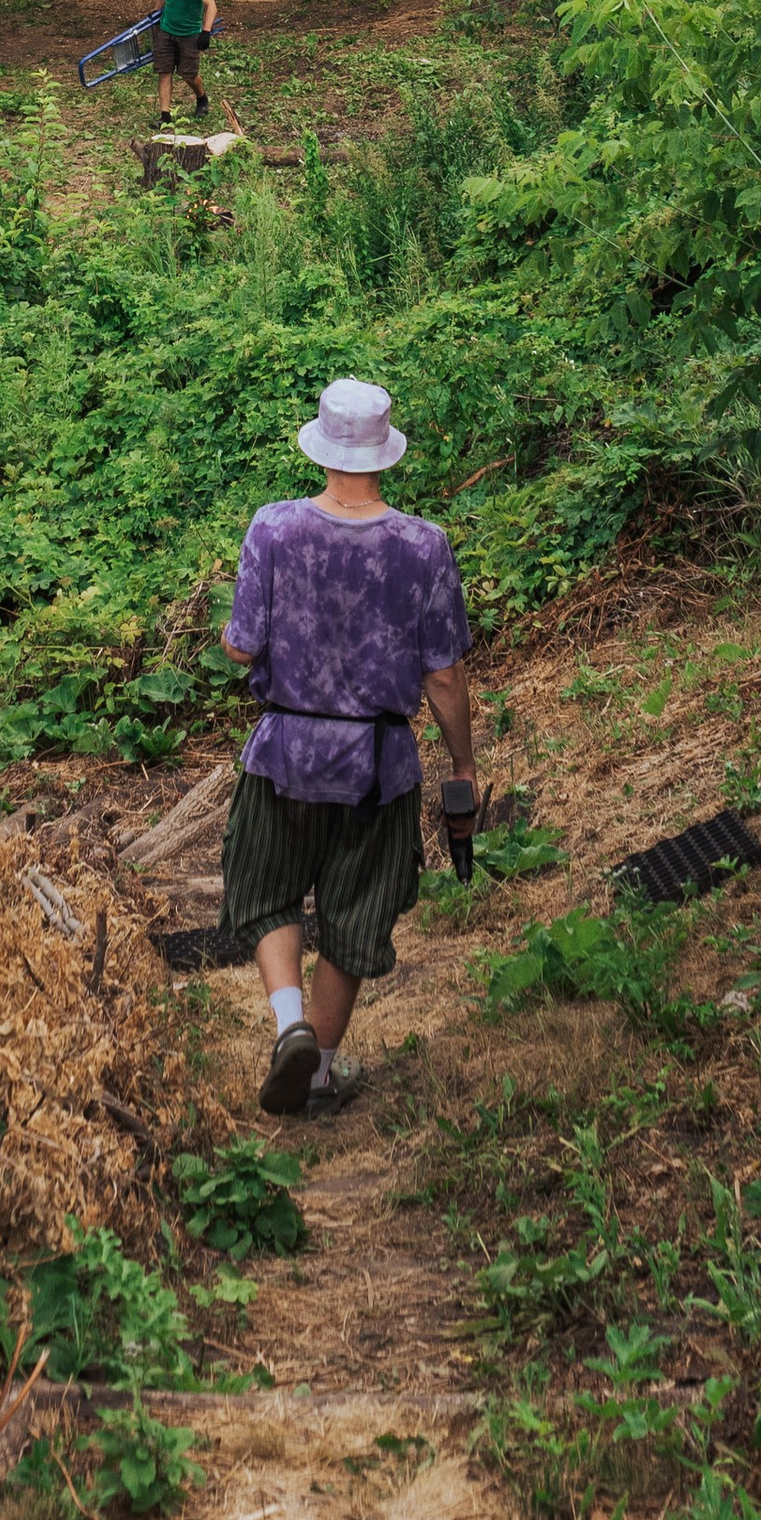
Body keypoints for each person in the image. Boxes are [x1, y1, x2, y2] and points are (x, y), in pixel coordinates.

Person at [219, 378, 474, 1117]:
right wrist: (462, 766)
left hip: (286, 751)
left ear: (322, 449)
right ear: (384, 454)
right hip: (379, 762)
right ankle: (321, 1070)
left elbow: (242, 648)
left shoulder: (272, 529)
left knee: (265, 890)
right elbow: (445, 677)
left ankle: (289, 1024)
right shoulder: (424, 547)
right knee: (356, 914)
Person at [151, 0, 216, 122]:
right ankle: (165, 116)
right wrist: (157, 10)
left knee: (189, 75)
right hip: (166, 30)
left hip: (189, 34)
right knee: (164, 72)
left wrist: (206, 31)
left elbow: (210, 6)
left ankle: (202, 97)